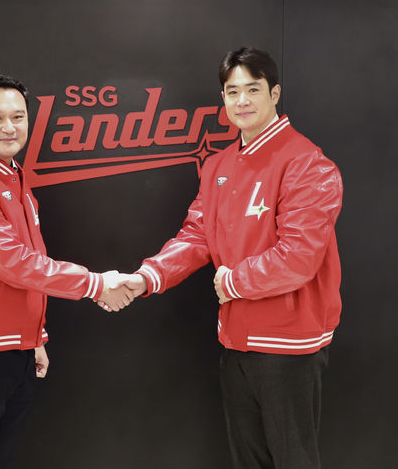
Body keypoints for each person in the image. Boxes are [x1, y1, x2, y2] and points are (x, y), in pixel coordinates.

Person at [122, 47, 343, 469]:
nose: (242, 101)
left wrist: (232, 282)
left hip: (288, 345)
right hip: (236, 340)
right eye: (232, 91)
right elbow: (197, 235)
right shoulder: (219, 165)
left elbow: (299, 258)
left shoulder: (307, 164)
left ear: (275, 93)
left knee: (294, 460)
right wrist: (148, 277)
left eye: (253, 90)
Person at [0, 73, 133, 469]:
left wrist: (33, 337)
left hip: (15, 349)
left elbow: (28, 260)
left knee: (1, 459)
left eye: (18, 117)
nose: (9, 127)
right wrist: (95, 284)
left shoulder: (12, 174)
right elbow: (14, 263)